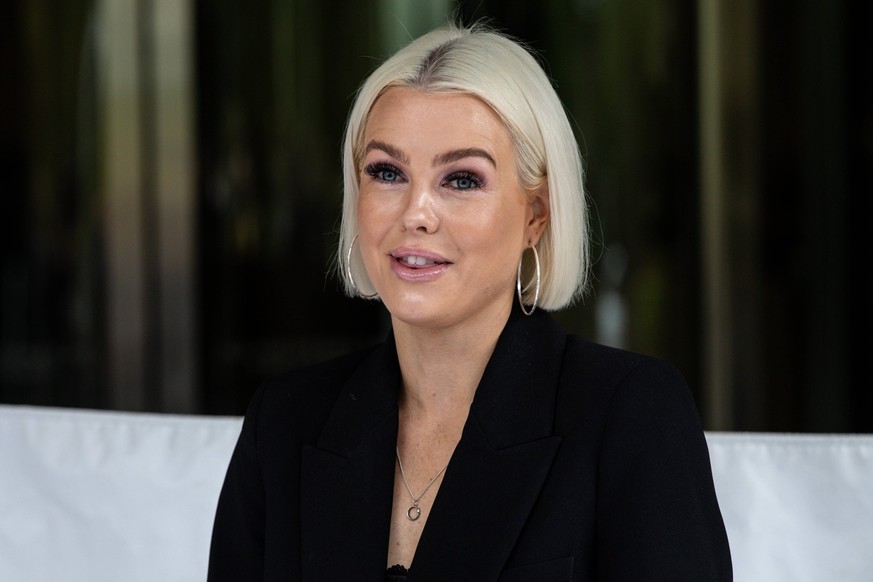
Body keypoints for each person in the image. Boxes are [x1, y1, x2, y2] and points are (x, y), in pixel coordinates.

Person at [208, 22, 732, 581]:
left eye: (461, 180)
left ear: (536, 214)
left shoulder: (629, 414)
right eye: (387, 172)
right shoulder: (285, 424)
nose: (416, 213)